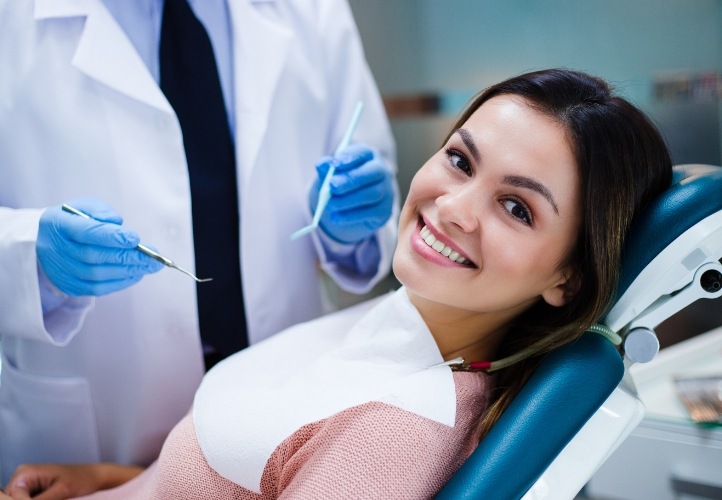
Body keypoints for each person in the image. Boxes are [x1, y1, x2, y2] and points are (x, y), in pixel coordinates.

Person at [2, 68, 672, 499]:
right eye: (461, 160)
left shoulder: (393, 433)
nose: (454, 207)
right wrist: (118, 483)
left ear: (567, 278)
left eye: (517, 208)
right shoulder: (400, 325)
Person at [0, 0, 398, 486]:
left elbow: (366, 157)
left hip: (285, 403)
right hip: (94, 425)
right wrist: (28, 258)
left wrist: (350, 228)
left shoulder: (312, 10)